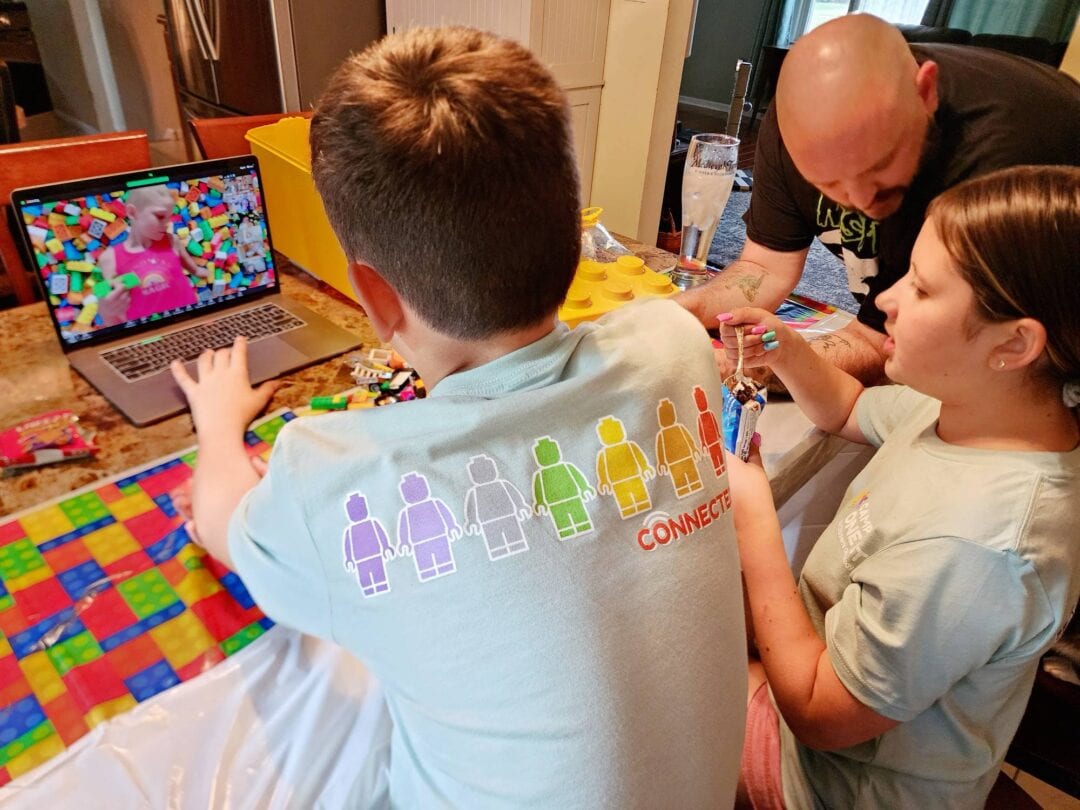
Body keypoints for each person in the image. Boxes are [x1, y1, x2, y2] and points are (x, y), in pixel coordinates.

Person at [170, 27, 747, 808]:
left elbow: (216, 523)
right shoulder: (676, 344)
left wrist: (215, 424)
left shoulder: (332, 472)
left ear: (374, 298)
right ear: (574, 241)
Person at [718, 165, 1080, 808]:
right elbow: (850, 408)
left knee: (645, 694)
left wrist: (752, 520)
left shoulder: (977, 549)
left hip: (831, 784)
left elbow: (817, 715)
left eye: (922, 288)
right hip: (821, 693)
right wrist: (787, 350)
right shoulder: (969, 409)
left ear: (1014, 344)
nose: (886, 298)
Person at [679, 13, 1080, 386]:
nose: (859, 201)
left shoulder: (1000, 162)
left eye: (879, 167)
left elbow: (884, 343)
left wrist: (753, 367)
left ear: (925, 92)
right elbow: (765, 267)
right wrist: (684, 312)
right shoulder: (793, 129)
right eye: (827, 182)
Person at [97, 184, 211, 325]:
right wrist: (106, 312)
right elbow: (111, 308)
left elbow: (193, 268)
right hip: (150, 332)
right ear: (132, 213)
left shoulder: (171, 240)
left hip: (192, 318)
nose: (167, 224)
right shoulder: (109, 258)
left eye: (169, 217)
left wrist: (203, 271)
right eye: (160, 216)